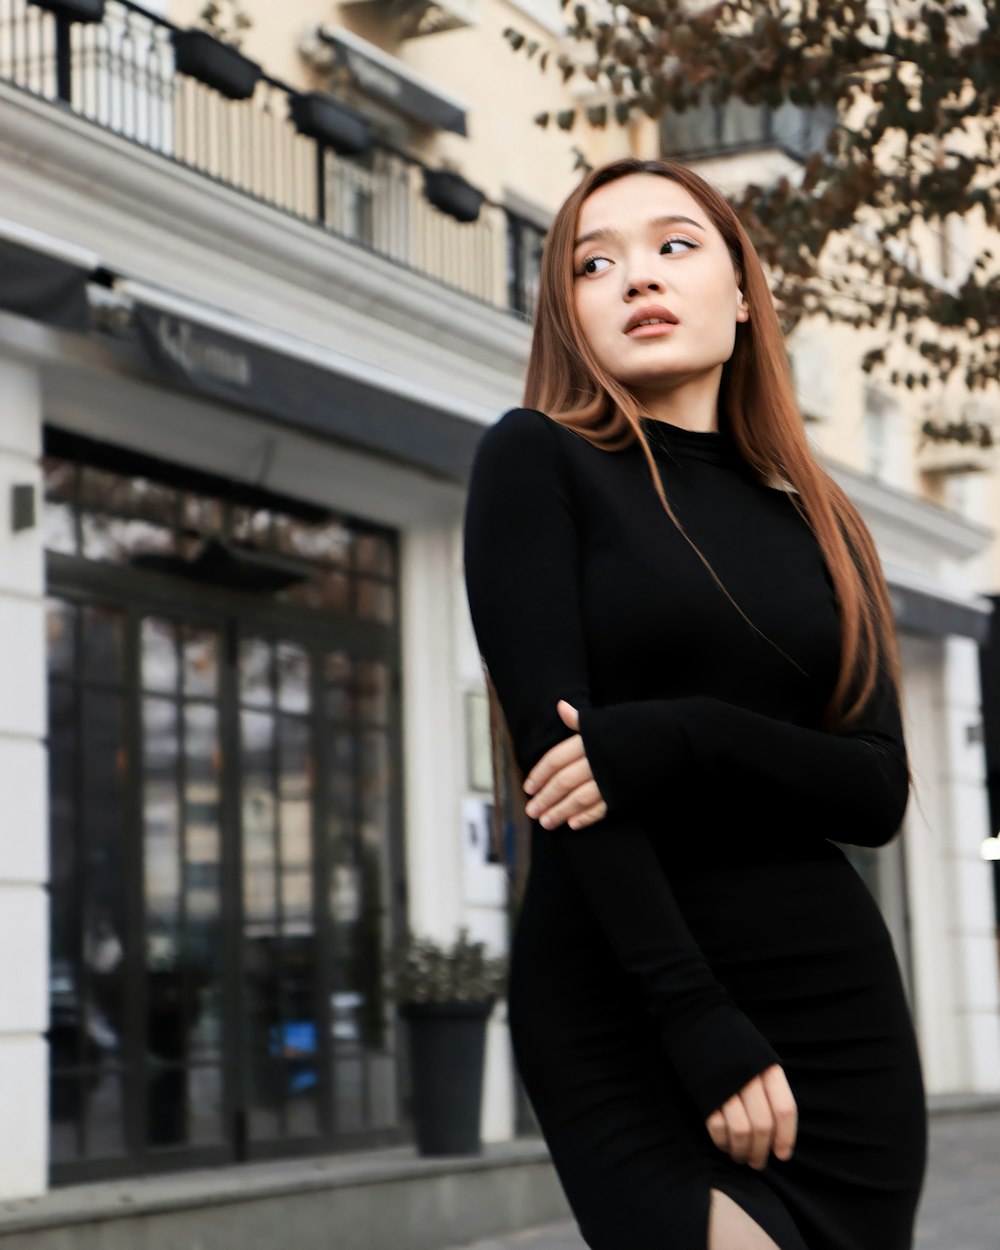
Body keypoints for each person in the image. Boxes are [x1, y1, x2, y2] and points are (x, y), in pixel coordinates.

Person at [462, 158, 926, 1250]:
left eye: (675, 245)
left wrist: (679, 733)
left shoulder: (823, 520)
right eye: (594, 261)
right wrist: (693, 1011)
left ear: (744, 291)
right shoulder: (536, 461)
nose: (636, 277)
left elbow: (873, 788)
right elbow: (561, 775)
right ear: (567, 312)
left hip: (830, 1001)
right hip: (627, 987)